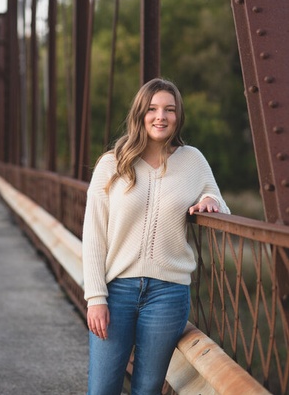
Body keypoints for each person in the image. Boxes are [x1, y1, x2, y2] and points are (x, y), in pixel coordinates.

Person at [82, 78, 230, 395]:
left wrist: (210, 202)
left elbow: (221, 206)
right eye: (152, 109)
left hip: (168, 294)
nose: (160, 116)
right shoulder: (112, 164)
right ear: (140, 114)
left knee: (148, 389)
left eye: (169, 109)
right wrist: (96, 298)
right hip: (116, 290)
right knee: (102, 388)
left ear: (178, 117)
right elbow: (94, 234)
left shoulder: (192, 160)